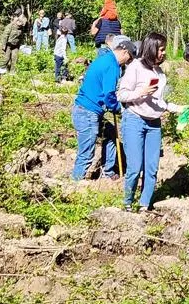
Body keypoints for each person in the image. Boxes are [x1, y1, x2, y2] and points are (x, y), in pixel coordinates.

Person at [118, 35, 170, 211]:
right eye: (161, 49)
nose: (163, 53)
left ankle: (144, 205)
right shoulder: (135, 67)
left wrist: (174, 108)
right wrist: (141, 92)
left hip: (154, 123)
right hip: (134, 119)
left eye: (164, 49)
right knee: (134, 166)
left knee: (152, 167)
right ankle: (127, 202)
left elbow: (159, 102)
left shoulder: (160, 73)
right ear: (151, 48)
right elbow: (122, 95)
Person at [72, 36, 132, 180]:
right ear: (124, 52)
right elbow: (108, 95)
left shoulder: (106, 59)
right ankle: (75, 183)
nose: (128, 62)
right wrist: (119, 109)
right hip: (87, 112)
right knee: (86, 152)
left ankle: (108, 172)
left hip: (91, 111)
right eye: (129, 58)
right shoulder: (112, 65)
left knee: (111, 133)